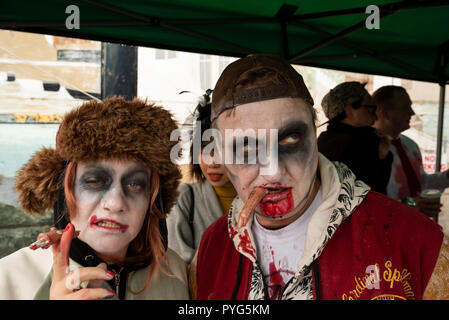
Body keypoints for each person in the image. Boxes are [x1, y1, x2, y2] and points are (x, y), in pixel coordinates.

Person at [190, 54, 449, 300]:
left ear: (315, 136)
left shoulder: (418, 244)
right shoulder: (210, 250)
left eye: (290, 139)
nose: (273, 171)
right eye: (246, 148)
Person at [8, 97, 189, 300]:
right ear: (64, 191)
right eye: (94, 181)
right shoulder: (9, 278)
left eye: (135, 184)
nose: (115, 203)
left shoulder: (176, 272)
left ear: (153, 201)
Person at [167, 92, 236, 263]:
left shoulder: (257, 198)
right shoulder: (185, 198)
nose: (212, 162)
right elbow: (175, 259)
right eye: (205, 149)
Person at [372, 85, 449, 218]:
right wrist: (410, 205)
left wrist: (446, 177)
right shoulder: (368, 148)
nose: (412, 113)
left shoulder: (410, 145)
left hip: (415, 230)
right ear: (384, 113)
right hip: (385, 232)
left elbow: (421, 183)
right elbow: (369, 201)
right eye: (405, 108)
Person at [317, 81, 393, 194]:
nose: (375, 116)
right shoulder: (358, 144)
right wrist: (381, 159)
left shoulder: (323, 142)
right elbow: (371, 193)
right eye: (370, 108)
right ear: (349, 111)